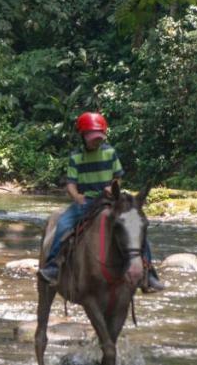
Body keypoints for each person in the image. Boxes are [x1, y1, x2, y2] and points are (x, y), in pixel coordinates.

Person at [40, 111, 165, 290]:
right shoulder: (76, 156)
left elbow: (118, 176)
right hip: (87, 201)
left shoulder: (110, 152)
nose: (96, 140)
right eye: (92, 137)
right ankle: (53, 267)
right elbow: (71, 183)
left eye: (99, 137)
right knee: (64, 225)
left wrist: (112, 186)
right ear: (83, 136)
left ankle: (149, 273)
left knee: (136, 227)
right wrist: (76, 196)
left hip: (110, 200)